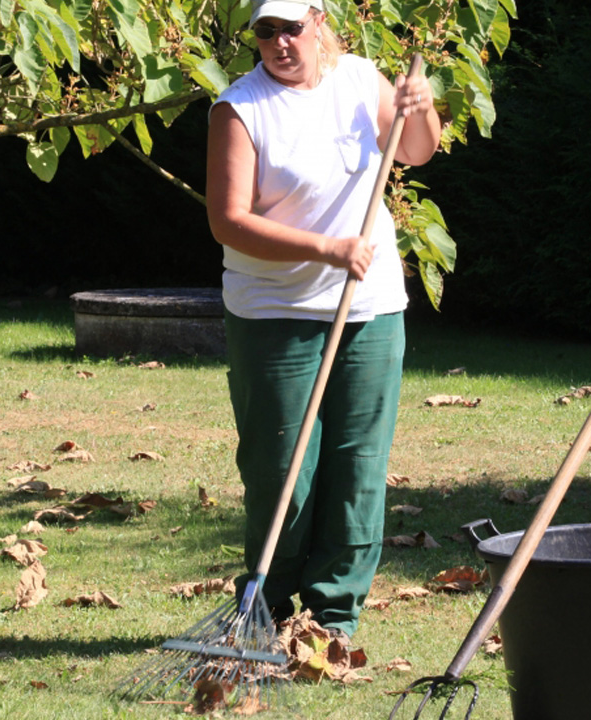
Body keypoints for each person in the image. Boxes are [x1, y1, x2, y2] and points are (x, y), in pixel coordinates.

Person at [206, 0, 440, 646]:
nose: (279, 42)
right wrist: (324, 248)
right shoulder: (239, 109)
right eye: (265, 30)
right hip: (274, 316)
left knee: (357, 465)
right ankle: (269, 611)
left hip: (369, 308)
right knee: (283, 468)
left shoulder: (360, 81)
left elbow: (416, 152)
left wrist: (420, 108)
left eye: (291, 27)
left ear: (318, 20)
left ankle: (333, 618)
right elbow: (227, 220)